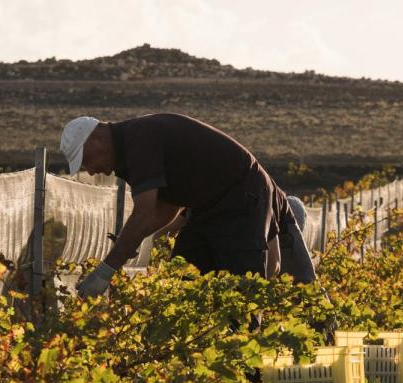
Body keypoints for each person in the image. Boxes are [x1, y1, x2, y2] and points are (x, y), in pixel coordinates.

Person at [59, 113, 315, 297]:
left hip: (241, 200)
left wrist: (105, 271)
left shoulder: (139, 141)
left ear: (97, 139)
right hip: (207, 208)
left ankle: (247, 367)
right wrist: (138, 239)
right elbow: (169, 205)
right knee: (185, 279)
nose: (90, 171)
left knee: (242, 294)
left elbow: (145, 212)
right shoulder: (126, 154)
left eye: (86, 161)